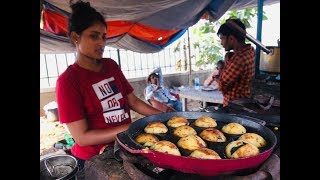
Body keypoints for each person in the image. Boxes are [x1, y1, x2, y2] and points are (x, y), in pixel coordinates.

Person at [55, 1, 163, 169]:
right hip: (94, 160)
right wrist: (130, 128)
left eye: (104, 36)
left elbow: (133, 102)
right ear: (76, 37)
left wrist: (162, 118)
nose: (101, 42)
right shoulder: (68, 81)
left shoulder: (111, 66)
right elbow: (82, 137)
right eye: (94, 36)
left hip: (124, 148)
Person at [216, 18, 255, 107]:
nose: (221, 43)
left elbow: (221, 86)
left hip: (234, 106)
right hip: (243, 101)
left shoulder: (239, 59)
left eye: (222, 39)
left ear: (231, 39)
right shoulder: (250, 51)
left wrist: (222, 68)